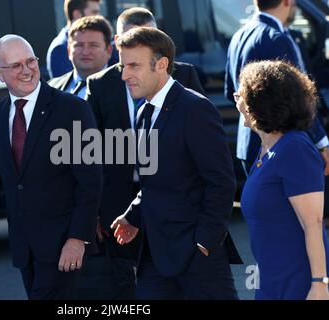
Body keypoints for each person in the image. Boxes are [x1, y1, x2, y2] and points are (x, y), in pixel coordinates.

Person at [0, 34, 102, 300]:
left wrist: (77, 238)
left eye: (31, 61)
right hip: (24, 251)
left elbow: (90, 181)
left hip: (64, 248)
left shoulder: (72, 109)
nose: (26, 70)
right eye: (16, 66)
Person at [84, 7, 206, 300]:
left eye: (152, 39)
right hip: (121, 203)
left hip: (176, 204)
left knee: (180, 280)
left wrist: (206, 228)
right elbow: (90, 154)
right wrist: (97, 211)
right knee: (129, 284)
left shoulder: (185, 75)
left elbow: (206, 159)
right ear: (118, 42)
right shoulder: (99, 85)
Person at [110, 27, 240, 300]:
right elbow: (157, 179)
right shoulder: (144, 112)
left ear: (162, 64)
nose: (124, 75)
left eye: (133, 65)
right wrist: (133, 215)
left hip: (197, 258)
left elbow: (221, 181)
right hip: (155, 255)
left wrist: (204, 241)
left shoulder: (195, 108)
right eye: (123, 66)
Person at [236, 60, 329, 300]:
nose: (236, 100)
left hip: (299, 281)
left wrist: (320, 284)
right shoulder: (266, 148)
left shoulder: (294, 147)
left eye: (241, 94)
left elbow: (314, 223)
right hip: (270, 279)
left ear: (258, 101)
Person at [225, 0, 329, 176]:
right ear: (287, 1)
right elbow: (298, 100)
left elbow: (231, 92)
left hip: (248, 144)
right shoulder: (276, 38)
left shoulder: (239, 34)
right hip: (276, 146)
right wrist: (321, 142)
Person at [48, 15, 113, 99]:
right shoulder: (52, 88)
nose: (85, 52)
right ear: (69, 51)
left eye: (93, 45)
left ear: (109, 50)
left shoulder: (123, 88)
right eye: (79, 45)